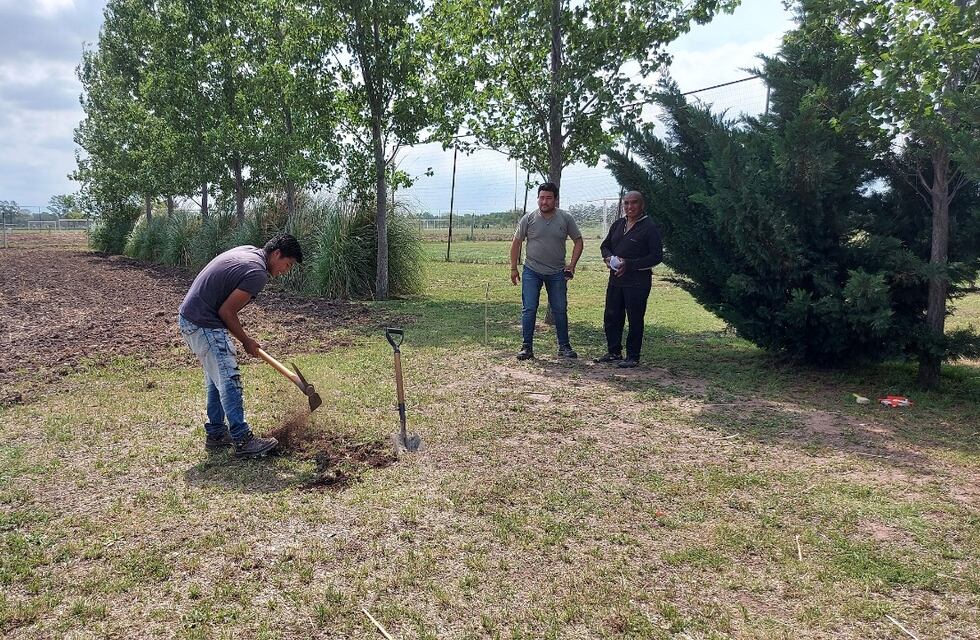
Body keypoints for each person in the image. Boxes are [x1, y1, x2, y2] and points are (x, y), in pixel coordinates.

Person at [178, 233, 303, 458]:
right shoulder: (257, 273)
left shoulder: (250, 252)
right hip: (204, 322)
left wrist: (245, 340)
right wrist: (246, 341)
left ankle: (216, 433)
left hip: (190, 317)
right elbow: (226, 311)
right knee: (229, 377)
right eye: (288, 264)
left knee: (217, 379)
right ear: (276, 254)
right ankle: (243, 440)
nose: (286, 270)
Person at [510, 182, 584, 360]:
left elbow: (579, 241)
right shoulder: (528, 219)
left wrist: (571, 265)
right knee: (529, 309)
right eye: (541, 198)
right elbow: (516, 243)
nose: (544, 201)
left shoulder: (565, 218)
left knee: (559, 309)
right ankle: (526, 347)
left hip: (557, 272)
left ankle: (564, 346)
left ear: (556, 200)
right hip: (531, 271)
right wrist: (513, 268)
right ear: (538, 199)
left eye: (548, 198)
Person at [596, 191, 663, 368]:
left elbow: (656, 257)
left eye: (633, 203)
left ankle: (633, 356)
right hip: (616, 280)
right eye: (626, 203)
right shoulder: (618, 224)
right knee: (612, 315)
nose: (629, 207)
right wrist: (609, 258)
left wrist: (630, 264)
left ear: (642, 205)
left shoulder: (649, 227)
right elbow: (605, 246)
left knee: (635, 318)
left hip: (637, 281)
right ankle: (614, 352)